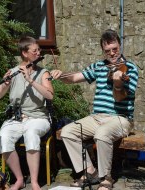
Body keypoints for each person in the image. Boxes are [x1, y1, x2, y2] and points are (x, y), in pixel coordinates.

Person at [51, 29, 138, 190]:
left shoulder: (130, 68)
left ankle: (106, 178)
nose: (112, 53)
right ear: (102, 51)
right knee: (67, 131)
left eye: (115, 49)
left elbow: (120, 99)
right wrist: (61, 75)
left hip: (120, 118)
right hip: (96, 117)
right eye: (107, 51)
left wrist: (118, 83)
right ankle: (89, 171)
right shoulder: (99, 66)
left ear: (120, 45)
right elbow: (75, 78)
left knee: (102, 134)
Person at [0, 36, 54, 190]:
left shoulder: (43, 73)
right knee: (4, 137)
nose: (38, 53)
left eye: (39, 50)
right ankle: (20, 179)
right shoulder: (13, 72)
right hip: (16, 118)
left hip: (38, 117)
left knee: (31, 133)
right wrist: (4, 84)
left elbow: (50, 95)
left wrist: (30, 80)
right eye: (34, 50)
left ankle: (34, 182)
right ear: (24, 53)